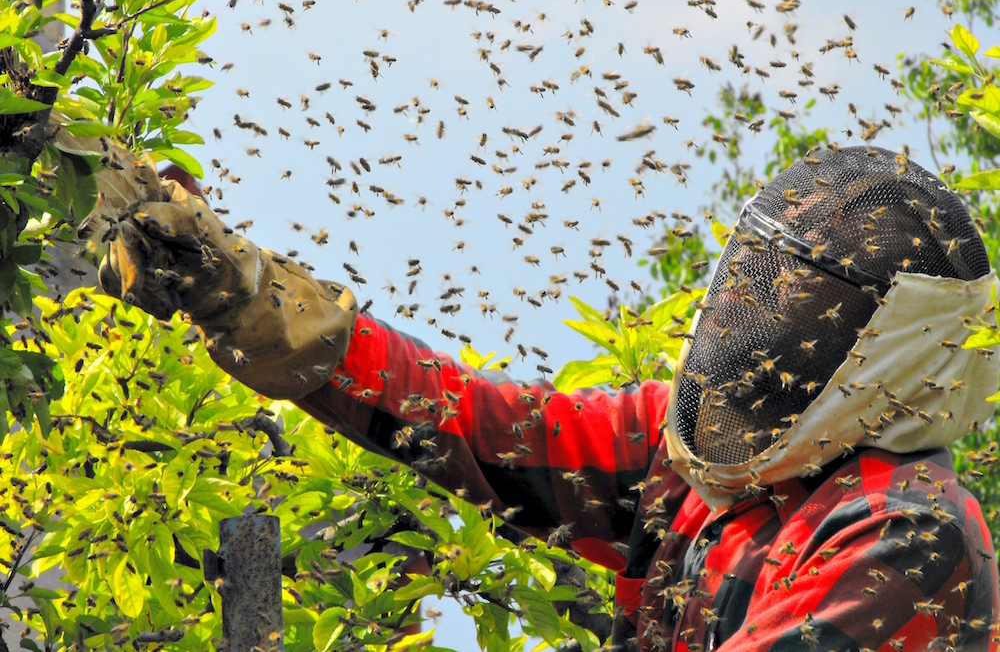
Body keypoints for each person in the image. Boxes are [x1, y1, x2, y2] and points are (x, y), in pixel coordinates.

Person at [100, 145, 1000, 652]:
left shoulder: (906, 530)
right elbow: (465, 421)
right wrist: (239, 293)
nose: (744, 311)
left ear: (890, 347)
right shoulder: (680, 453)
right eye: (751, 279)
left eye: (791, 298)